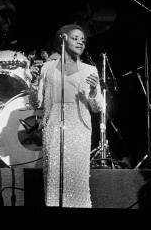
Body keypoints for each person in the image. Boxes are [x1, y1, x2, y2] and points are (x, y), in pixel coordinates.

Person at [32, 24, 103, 207]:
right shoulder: (47, 68)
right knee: (54, 180)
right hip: (53, 126)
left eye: (83, 40)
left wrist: (94, 90)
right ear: (63, 38)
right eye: (75, 38)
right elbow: (36, 102)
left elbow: (97, 107)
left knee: (78, 182)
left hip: (79, 129)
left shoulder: (90, 70)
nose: (80, 42)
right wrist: (33, 84)